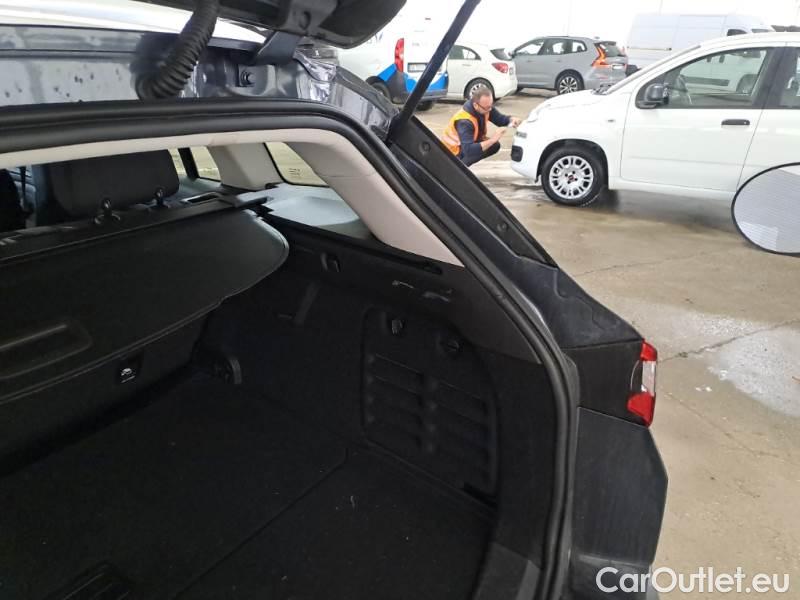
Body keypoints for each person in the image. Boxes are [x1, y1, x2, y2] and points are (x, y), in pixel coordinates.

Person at [442, 86, 521, 167]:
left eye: (491, 105)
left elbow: (499, 119)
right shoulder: (464, 121)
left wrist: (511, 120)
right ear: (475, 105)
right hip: (452, 153)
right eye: (487, 107)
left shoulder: (485, 107)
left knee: (494, 146)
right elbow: (468, 150)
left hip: (465, 145)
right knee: (490, 144)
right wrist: (493, 139)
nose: (490, 109)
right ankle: (459, 168)